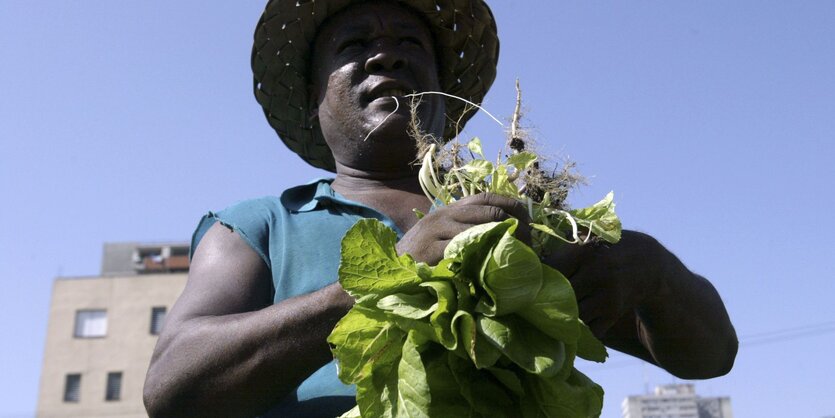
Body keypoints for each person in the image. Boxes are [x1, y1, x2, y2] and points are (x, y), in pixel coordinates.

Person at [143, 1, 738, 417]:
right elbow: (174, 388)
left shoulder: (513, 218)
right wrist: (384, 282)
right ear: (313, 95)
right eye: (354, 46)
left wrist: (652, 270)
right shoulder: (260, 226)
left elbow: (711, 355)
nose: (386, 58)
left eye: (409, 46)